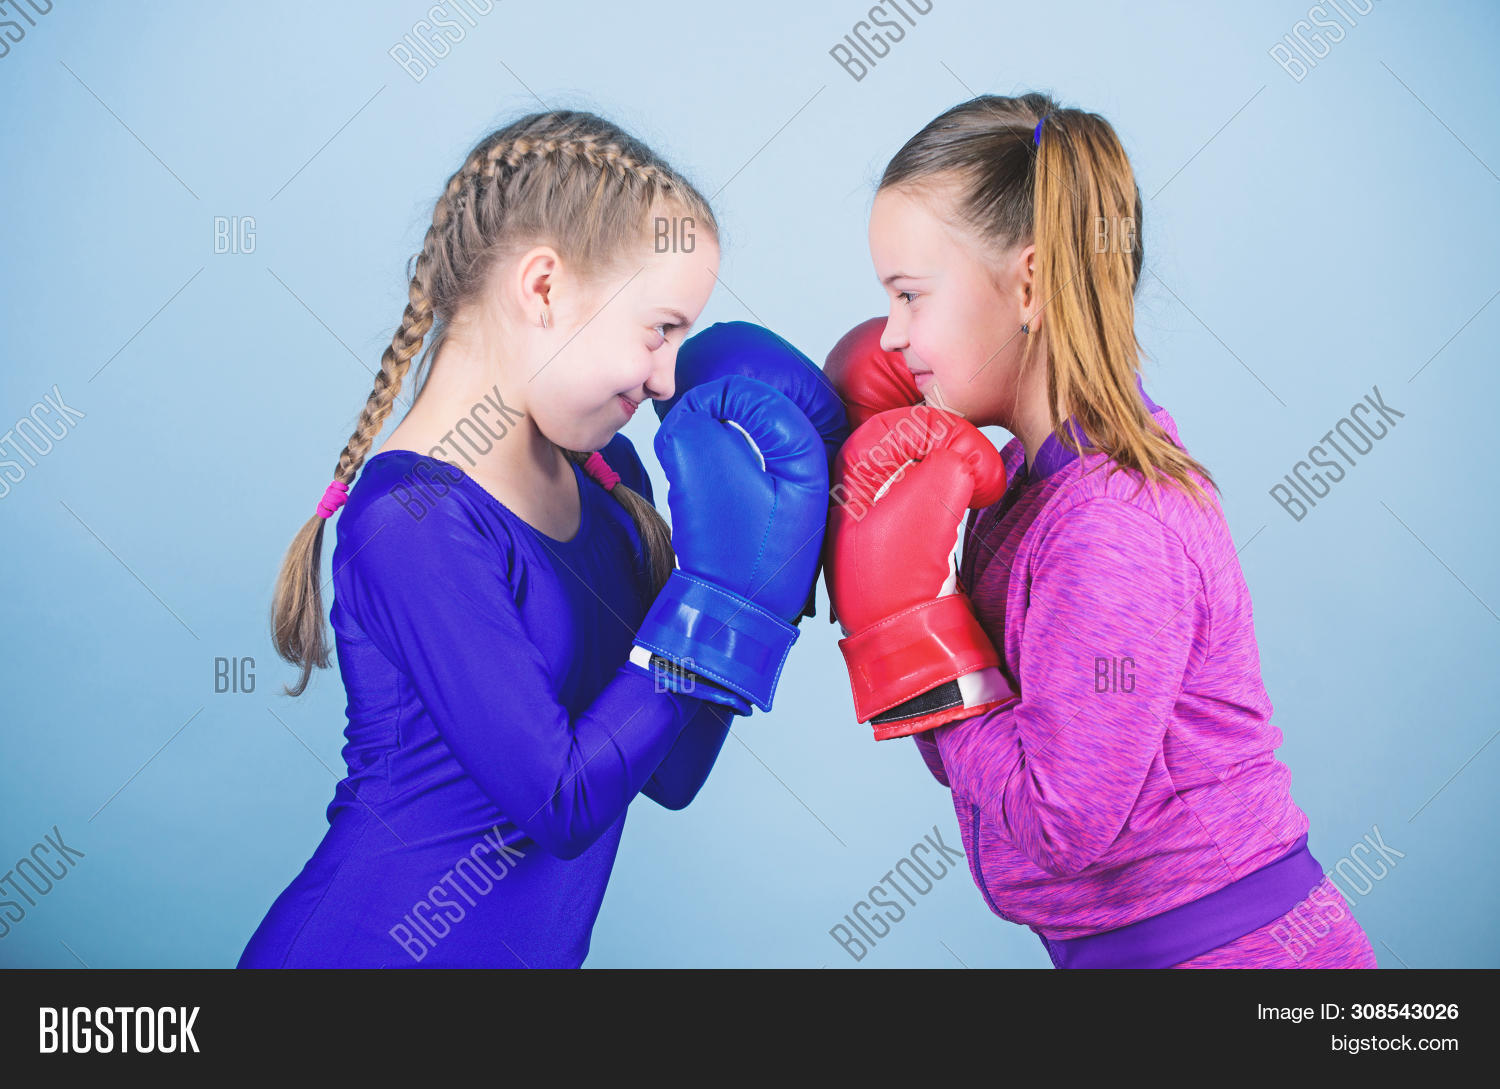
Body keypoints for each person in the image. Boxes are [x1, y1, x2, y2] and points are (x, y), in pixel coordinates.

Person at [239, 110, 836, 968]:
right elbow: (560, 800)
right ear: (545, 287)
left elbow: (670, 774)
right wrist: (709, 599)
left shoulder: (610, 478)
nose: (669, 371)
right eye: (659, 328)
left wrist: (761, 589)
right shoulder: (411, 522)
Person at [822, 93, 1378, 969]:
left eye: (909, 295)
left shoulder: (1111, 527)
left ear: (1031, 283)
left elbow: (1059, 819)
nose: (891, 335)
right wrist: (922, 641)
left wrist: (915, 643)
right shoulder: (1022, 497)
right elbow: (989, 770)